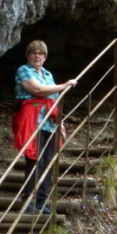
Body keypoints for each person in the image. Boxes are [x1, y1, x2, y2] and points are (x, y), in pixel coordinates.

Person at [12, 40, 77, 214]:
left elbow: (53, 99)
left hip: (48, 123)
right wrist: (65, 85)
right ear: (28, 55)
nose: (37, 56)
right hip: (32, 121)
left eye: (41, 53)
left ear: (45, 57)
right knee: (34, 161)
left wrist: (60, 122)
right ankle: (27, 200)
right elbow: (38, 91)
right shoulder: (24, 71)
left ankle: (42, 200)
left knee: (47, 162)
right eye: (34, 52)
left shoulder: (48, 75)